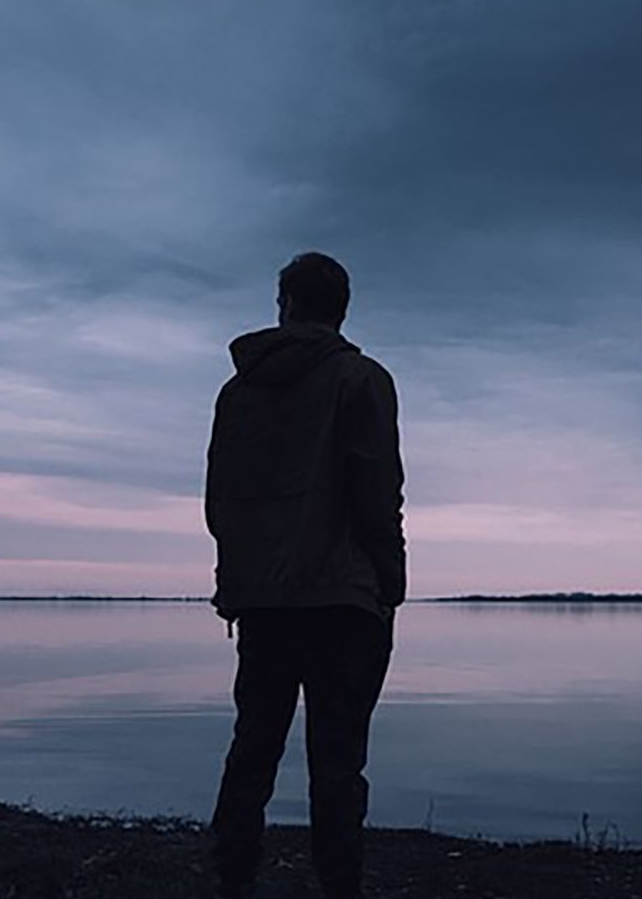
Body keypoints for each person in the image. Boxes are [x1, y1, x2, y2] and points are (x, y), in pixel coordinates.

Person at [205, 251, 406, 899]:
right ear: (342, 308)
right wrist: (391, 579)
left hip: (264, 600)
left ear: (283, 304)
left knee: (252, 750)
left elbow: (221, 498)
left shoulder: (238, 392)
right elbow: (378, 489)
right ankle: (339, 887)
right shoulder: (363, 380)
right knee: (338, 764)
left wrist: (235, 578)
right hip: (343, 600)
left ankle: (230, 879)